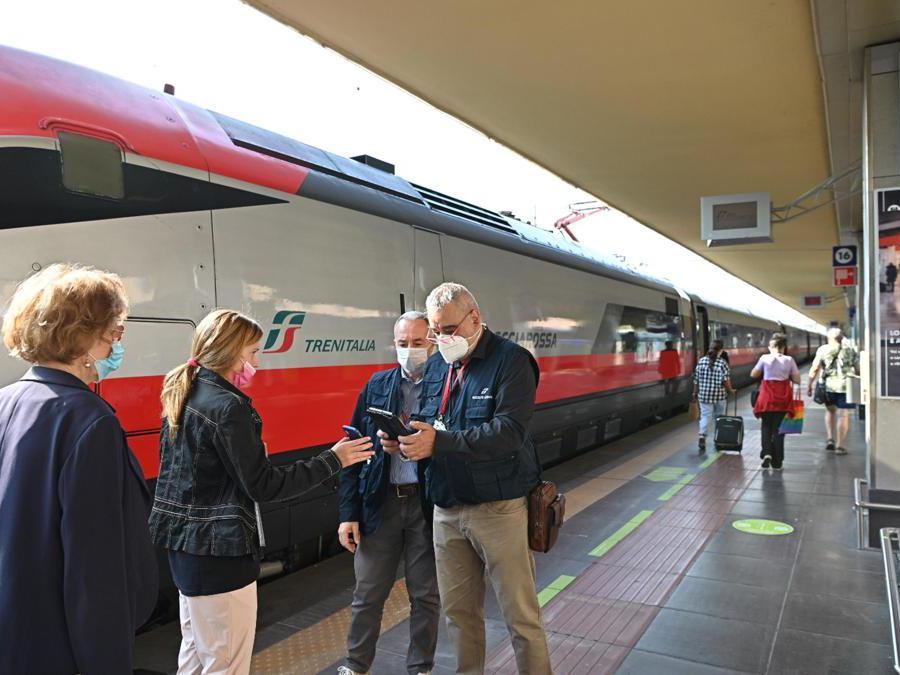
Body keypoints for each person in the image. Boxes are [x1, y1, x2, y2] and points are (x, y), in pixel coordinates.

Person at [149, 309, 374, 675]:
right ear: (232, 351)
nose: (256, 361)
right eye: (254, 352)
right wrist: (334, 459)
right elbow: (264, 485)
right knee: (226, 664)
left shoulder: (185, 393)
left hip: (186, 548)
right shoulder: (228, 407)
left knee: (196, 654)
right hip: (220, 553)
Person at [384, 282, 552, 675]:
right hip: (446, 507)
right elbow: (430, 421)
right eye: (436, 332)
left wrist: (438, 443)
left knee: (520, 618)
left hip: (498, 509)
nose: (441, 339)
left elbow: (509, 432)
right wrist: (406, 441)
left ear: (474, 317)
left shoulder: (512, 361)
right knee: (459, 615)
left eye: (448, 329)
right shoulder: (440, 364)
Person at [0, 263, 158, 674]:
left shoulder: (5, 403)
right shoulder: (89, 420)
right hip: (58, 646)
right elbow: (96, 569)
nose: (116, 343)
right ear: (84, 337)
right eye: (113, 331)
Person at [337, 311, 440, 675]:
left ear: (433, 342)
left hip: (427, 506)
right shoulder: (377, 384)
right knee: (367, 595)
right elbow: (353, 448)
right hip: (380, 504)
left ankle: (420, 669)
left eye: (417, 342)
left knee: (426, 597)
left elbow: (458, 446)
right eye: (402, 343)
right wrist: (348, 512)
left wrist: (423, 446)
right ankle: (355, 666)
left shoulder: (446, 385)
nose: (409, 350)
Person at [751, 333, 801, 470]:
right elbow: (797, 380)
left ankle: (767, 453)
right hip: (783, 399)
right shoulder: (789, 360)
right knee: (779, 430)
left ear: (770, 347)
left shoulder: (764, 358)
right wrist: (786, 375)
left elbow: (753, 374)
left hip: (767, 398)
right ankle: (778, 461)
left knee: (766, 427)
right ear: (784, 347)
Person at [807, 327, 859, 455]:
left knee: (830, 411)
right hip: (845, 386)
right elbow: (858, 369)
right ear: (842, 337)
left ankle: (830, 438)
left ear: (829, 338)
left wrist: (809, 384)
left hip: (827, 386)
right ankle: (840, 446)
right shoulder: (850, 350)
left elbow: (815, 369)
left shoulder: (823, 350)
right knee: (843, 414)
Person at [692, 342, 736, 451]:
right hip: (719, 395)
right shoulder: (722, 363)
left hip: (704, 395)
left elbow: (696, 380)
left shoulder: (701, 361)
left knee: (705, 416)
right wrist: (731, 390)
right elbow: (726, 380)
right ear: (721, 350)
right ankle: (718, 439)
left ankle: (702, 436)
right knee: (719, 418)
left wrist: (694, 393)